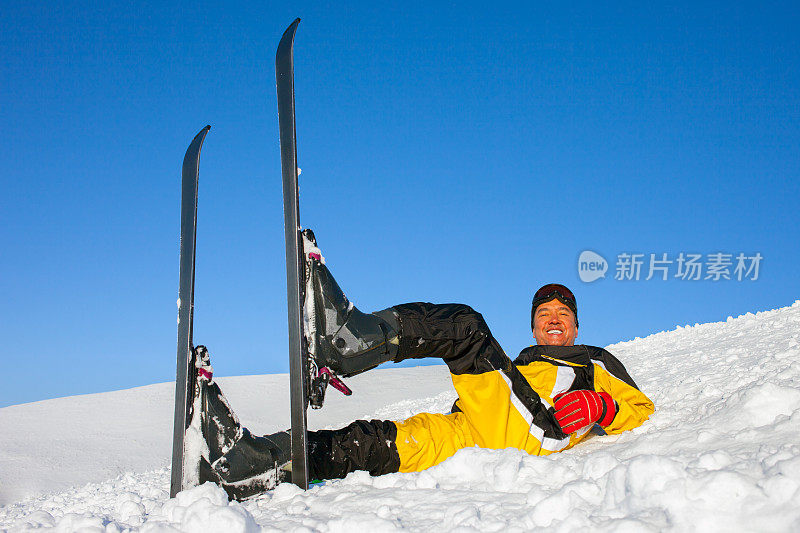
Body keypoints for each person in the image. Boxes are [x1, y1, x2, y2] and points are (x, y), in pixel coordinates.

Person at [193, 238, 655, 500]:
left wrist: (603, 403)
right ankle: (254, 463)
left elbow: (641, 407)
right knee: (372, 442)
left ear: (576, 326)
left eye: (563, 314)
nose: (554, 319)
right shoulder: (521, 366)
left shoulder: (592, 360)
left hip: (534, 429)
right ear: (534, 327)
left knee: (465, 328)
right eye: (544, 314)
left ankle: (347, 339)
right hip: (472, 429)